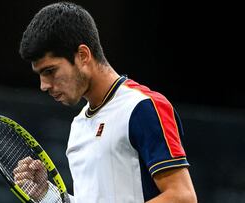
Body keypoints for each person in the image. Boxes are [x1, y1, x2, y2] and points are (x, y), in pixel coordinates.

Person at [15, 2, 197, 202]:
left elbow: (183, 197)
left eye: (50, 71)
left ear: (83, 55)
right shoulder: (78, 127)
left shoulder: (142, 107)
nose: (44, 85)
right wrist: (48, 195)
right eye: (40, 75)